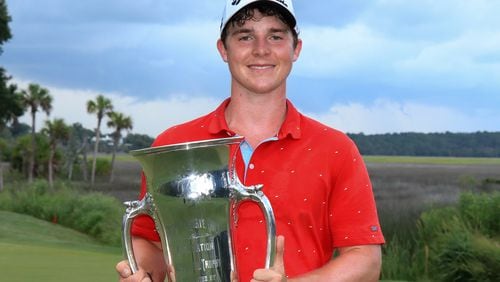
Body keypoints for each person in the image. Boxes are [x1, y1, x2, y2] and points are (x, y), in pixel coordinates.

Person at [116, 0, 385, 281]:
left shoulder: (336, 149)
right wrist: (143, 273)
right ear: (223, 49)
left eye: (276, 36)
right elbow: (149, 241)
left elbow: (365, 260)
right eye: (245, 36)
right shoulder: (173, 145)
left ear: (297, 49)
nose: (261, 49)